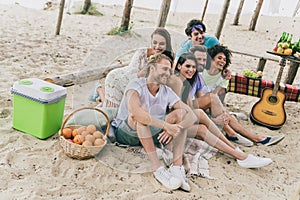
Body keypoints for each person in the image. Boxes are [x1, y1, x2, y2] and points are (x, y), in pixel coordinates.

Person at [170, 52, 273, 168]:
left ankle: (239, 154)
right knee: (200, 114)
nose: (191, 70)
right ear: (179, 66)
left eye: (194, 67)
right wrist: (213, 121)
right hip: (172, 123)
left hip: (182, 120)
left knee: (202, 129)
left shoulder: (188, 81)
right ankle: (238, 151)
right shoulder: (175, 81)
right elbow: (182, 111)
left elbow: (191, 104)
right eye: (188, 66)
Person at [112, 53, 197, 191]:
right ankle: (157, 169)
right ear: (152, 68)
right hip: (127, 132)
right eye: (164, 69)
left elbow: (191, 115)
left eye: (169, 70)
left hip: (150, 133)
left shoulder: (166, 91)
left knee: (181, 115)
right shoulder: (136, 85)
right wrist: (166, 126)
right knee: (141, 115)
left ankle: (176, 167)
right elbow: (136, 114)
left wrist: (177, 127)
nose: (167, 73)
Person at [190, 45, 285, 146]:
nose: (222, 61)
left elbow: (215, 97)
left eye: (224, 59)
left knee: (227, 115)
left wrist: (224, 81)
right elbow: (204, 98)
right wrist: (216, 116)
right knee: (222, 110)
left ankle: (257, 138)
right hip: (193, 106)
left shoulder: (222, 76)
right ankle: (231, 133)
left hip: (207, 105)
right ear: (211, 58)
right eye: (219, 58)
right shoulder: (200, 73)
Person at [101, 27, 174, 108]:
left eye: (161, 44)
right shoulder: (142, 53)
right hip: (120, 79)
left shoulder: (169, 59)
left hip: (141, 87)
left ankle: (99, 91)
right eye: (154, 43)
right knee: (113, 109)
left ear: (167, 44)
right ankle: (99, 90)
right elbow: (134, 74)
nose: (157, 47)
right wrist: (151, 64)